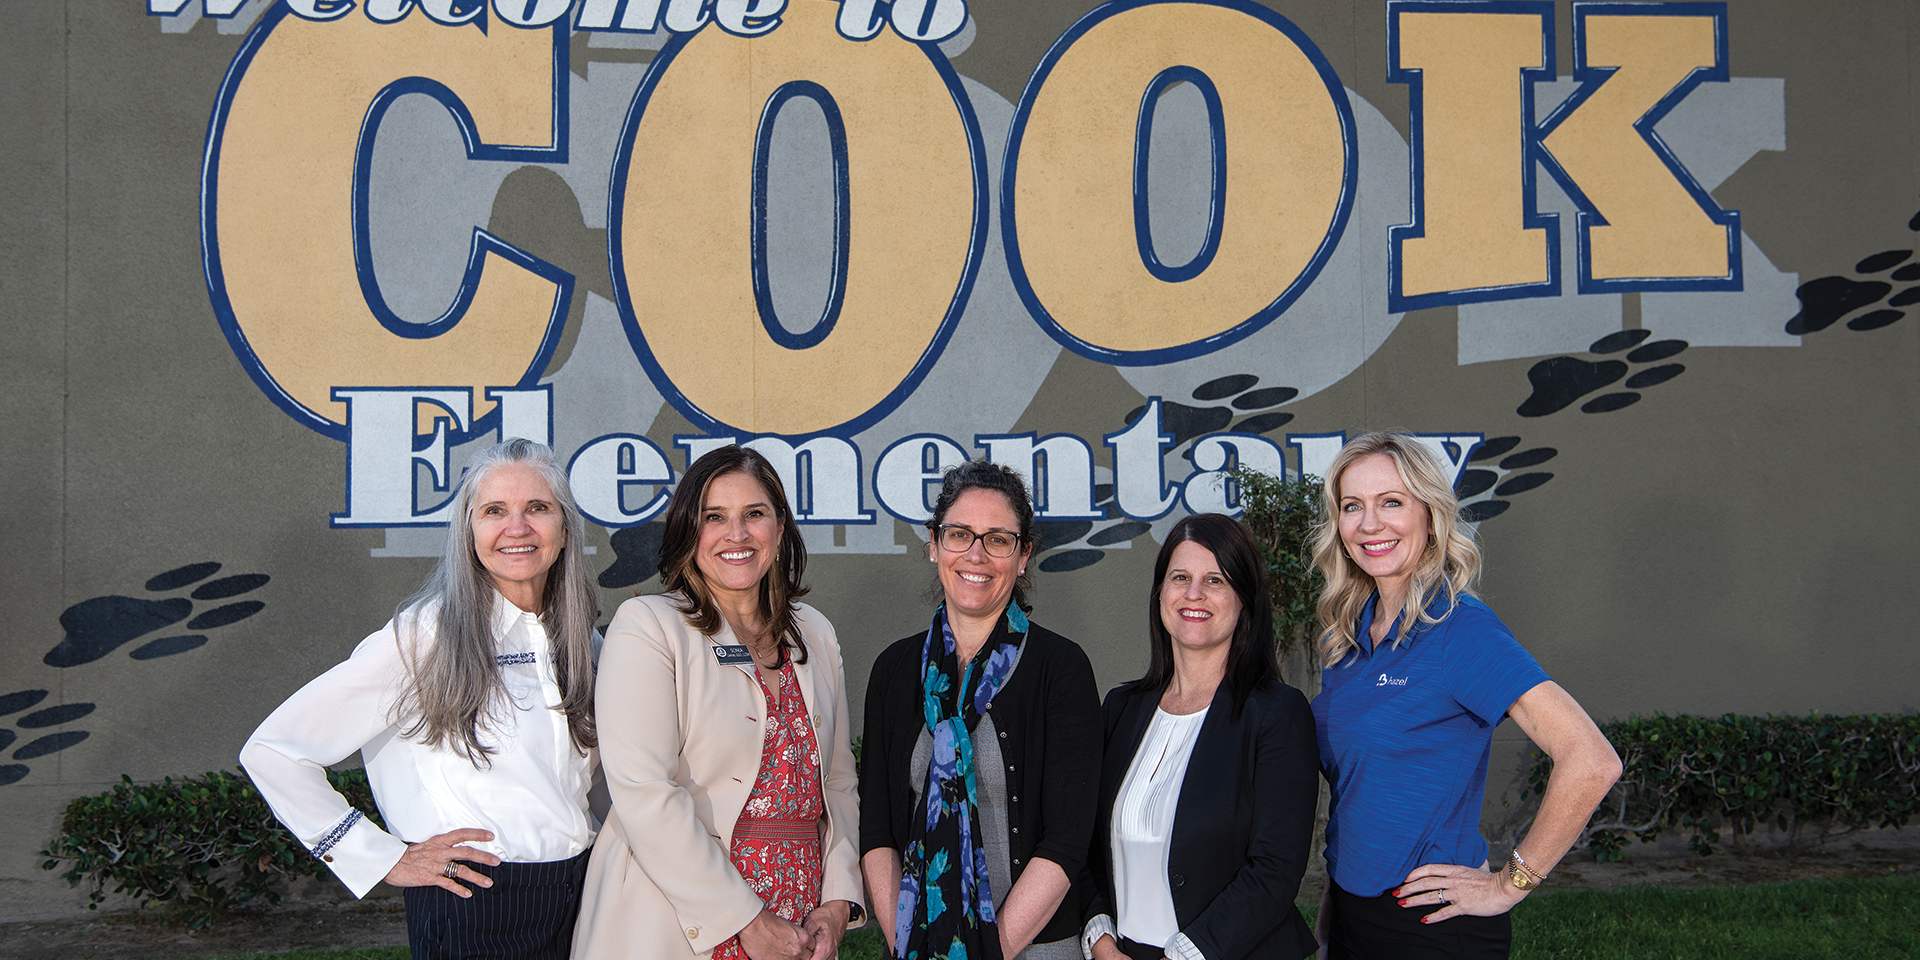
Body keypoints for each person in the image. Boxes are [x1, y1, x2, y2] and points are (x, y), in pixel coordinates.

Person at [242, 438, 602, 960]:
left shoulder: (580, 639)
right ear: (468, 530)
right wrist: (382, 858)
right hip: (477, 903)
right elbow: (274, 750)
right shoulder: (424, 638)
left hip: (580, 894)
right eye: (494, 511)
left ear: (565, 530)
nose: (517, 528)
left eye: (538, 508)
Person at [1311, 433, 1622, 959]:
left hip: (1428, 922)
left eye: (1392, 502)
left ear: (1429, 516)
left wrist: (1509, 884)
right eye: (1351, 506)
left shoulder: (1458, 629)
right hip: (1351, 911)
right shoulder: (1351, 634)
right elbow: (1360, 791)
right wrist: (1333, 912)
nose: (1370, 524)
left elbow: (1592, 761)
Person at [572, 445, 862, 960]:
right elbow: (644, 790)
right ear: (689, 531)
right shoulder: (649, 626)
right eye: (714, 518)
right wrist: (745, 919)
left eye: (755, 514)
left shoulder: (815, 633)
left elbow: (837, 782)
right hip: (680, 920)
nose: (737, 534)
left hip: (799, 925)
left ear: (779, 527)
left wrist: (837, 901)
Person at [860, 460, 1102, 960]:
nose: (976, 554)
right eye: (959, 534)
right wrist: (905, 945)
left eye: (997, 539)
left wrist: (985, 953)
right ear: (933, 544)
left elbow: (1066, 843)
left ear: (1023, 554)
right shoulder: (893, 670)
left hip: (1031, 949)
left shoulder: (1062, 669)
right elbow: (878, 831)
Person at [1081, 514, 1319, 960]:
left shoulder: (1277, 715)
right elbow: (1087, 843)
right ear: (1160, 593)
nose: (1194, 594)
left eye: (1215, 580)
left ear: (1244, 599)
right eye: (1181, 577)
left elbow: (1275, 871)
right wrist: (1102, 941)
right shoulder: (1121, 708)